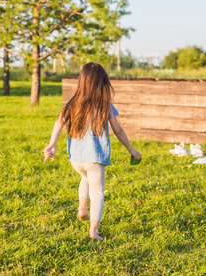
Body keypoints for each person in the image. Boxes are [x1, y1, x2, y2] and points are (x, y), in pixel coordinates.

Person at [43, 62, 142, 240]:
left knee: (84, 177)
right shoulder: (105, 105)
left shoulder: (73, 103)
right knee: (97, 193)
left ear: (82, 82)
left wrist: (52, 143)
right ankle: (94, 231)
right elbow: (118, 130)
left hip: (76, 159)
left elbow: (59, 122)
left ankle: (82, 209)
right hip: (95, 158)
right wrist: (131, 149)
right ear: (102, 82)